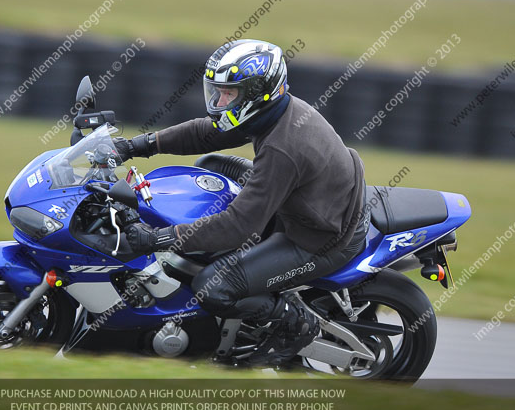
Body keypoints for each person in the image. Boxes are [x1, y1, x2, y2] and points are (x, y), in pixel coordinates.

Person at [113, 39, 369, 366]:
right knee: (209, 166)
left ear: (255, 93)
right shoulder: (273, 112)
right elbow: (207, 133)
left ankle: (295, 322)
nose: (218, 101)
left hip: (321, 238)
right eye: (217, 91)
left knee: (213, 287)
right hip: (310, 200)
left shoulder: (282, 149)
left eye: (228, 93)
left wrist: (157, 238)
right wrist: (136, 145)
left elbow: (236, 227)